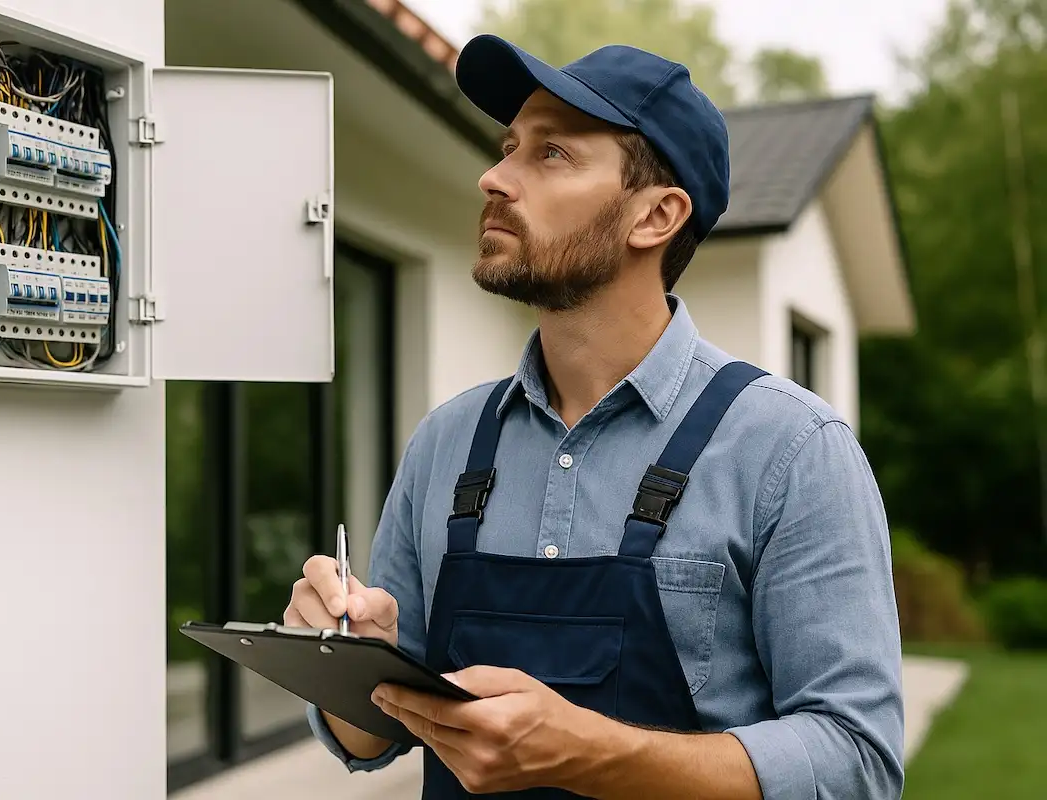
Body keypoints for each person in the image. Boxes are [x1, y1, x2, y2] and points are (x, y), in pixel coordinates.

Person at [284, 33, 904, 800]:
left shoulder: (792, 449)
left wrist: (596, 754)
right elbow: (374, 736)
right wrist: (349, 661)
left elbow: (858, 762)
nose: (494, 176)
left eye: (551, 155)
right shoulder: (446, 442)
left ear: (656, 216)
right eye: (508, 147)